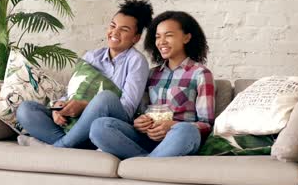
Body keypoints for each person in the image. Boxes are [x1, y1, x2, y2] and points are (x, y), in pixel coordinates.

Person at [16, 0, 153, 148]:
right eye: (113, 26)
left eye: (124, 30)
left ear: (136, 38)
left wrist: (84, 106)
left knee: (106, 98)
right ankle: (73, 145)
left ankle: (60, 147)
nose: (115, 32)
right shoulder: (91, 57)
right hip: (75, 124)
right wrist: (58, 107)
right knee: (26, 109)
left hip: (107, 126)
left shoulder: (136, 61)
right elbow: (71, 94)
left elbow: (127, 110)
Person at [89, 11, 215, 159]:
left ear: (186, 37)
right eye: (157, 37)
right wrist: (139, 122)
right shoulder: (151, 74)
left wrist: (172, 125)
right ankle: (149, 163)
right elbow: (139, 113)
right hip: (147, 139)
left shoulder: (200, 74)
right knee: (100, 126)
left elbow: (207, 124)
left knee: (187, 130)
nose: (161, 42)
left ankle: (142, 165)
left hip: (178, 139)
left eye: (168, 35)